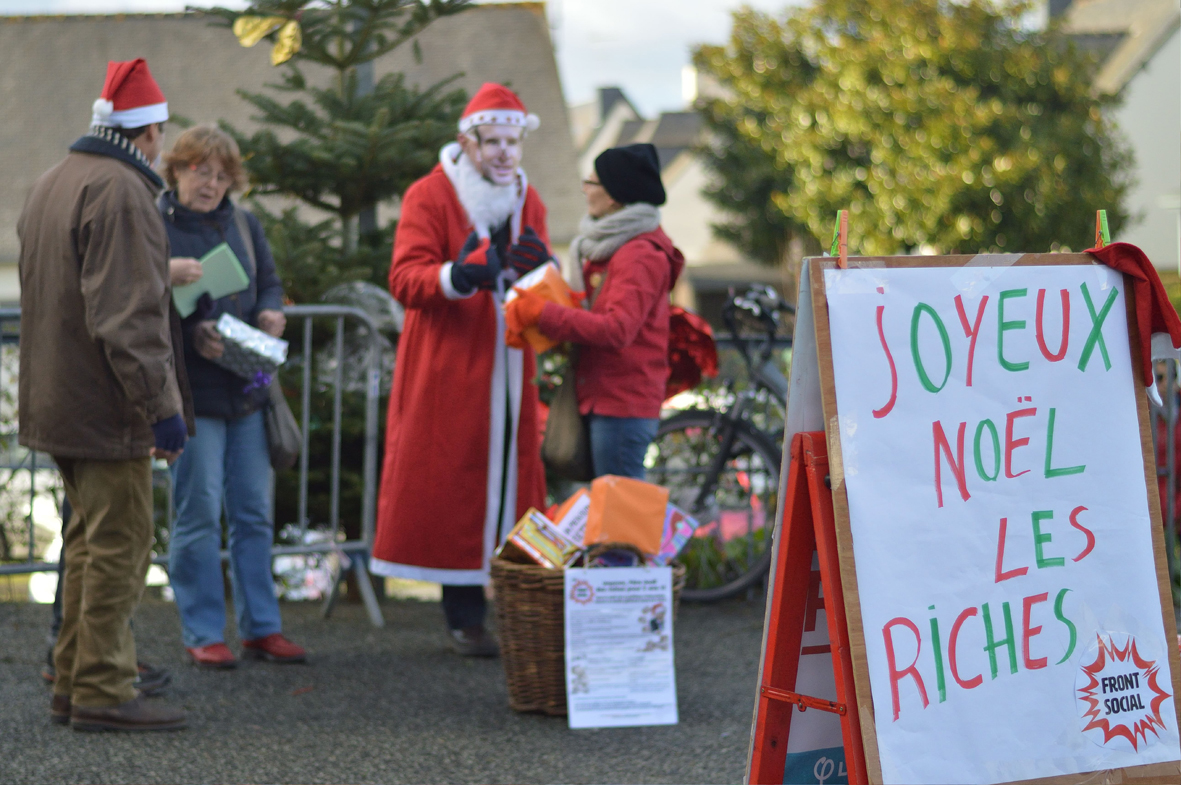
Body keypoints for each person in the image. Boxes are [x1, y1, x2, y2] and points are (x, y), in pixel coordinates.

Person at [18, 58, 193, 731]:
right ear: (145, 132)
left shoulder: (53, 182)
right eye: (159, 133)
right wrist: (163, 408)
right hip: (104, 406)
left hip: (56, 399)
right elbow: (129, 318)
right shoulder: (121, 192)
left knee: (88, 543)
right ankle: (102, 688)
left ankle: (74, 680)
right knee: (120, 544)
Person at [371, 83, 553, 656]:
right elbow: (404, 278)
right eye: (492, 142)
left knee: (510, 484)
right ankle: (464, 616)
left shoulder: (532, 201)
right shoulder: (429, 196)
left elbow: (545, 289)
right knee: (456, 482)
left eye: (512, 142)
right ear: (466, 142)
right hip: (450, 370)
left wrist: (539, 272)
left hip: (512, 369)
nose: (504, 153)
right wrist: (461, 275)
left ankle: (514, 606)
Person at [157, 125, 304, 670]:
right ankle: (201, 631)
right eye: (201, 171)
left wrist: (272, 310)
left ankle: (261, 627)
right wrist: (190, 329)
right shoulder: (154, 225)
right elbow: (136, 300)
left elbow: (268, 280)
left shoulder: (243, 222)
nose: (212, 183)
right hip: (192, 393)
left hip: (246, 387)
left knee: (254, 512)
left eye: (222, 175)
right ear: (177, 169)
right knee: (197, 513)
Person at [506, 143, 684, 479]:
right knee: (615, 511)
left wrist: (542, 312)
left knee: (619, 518)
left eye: (592, 183)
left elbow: (617, 328)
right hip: (607, 399)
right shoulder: (615, 248)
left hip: (620, 404)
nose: (585, 191)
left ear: (615, 195)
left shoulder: (638, 254)